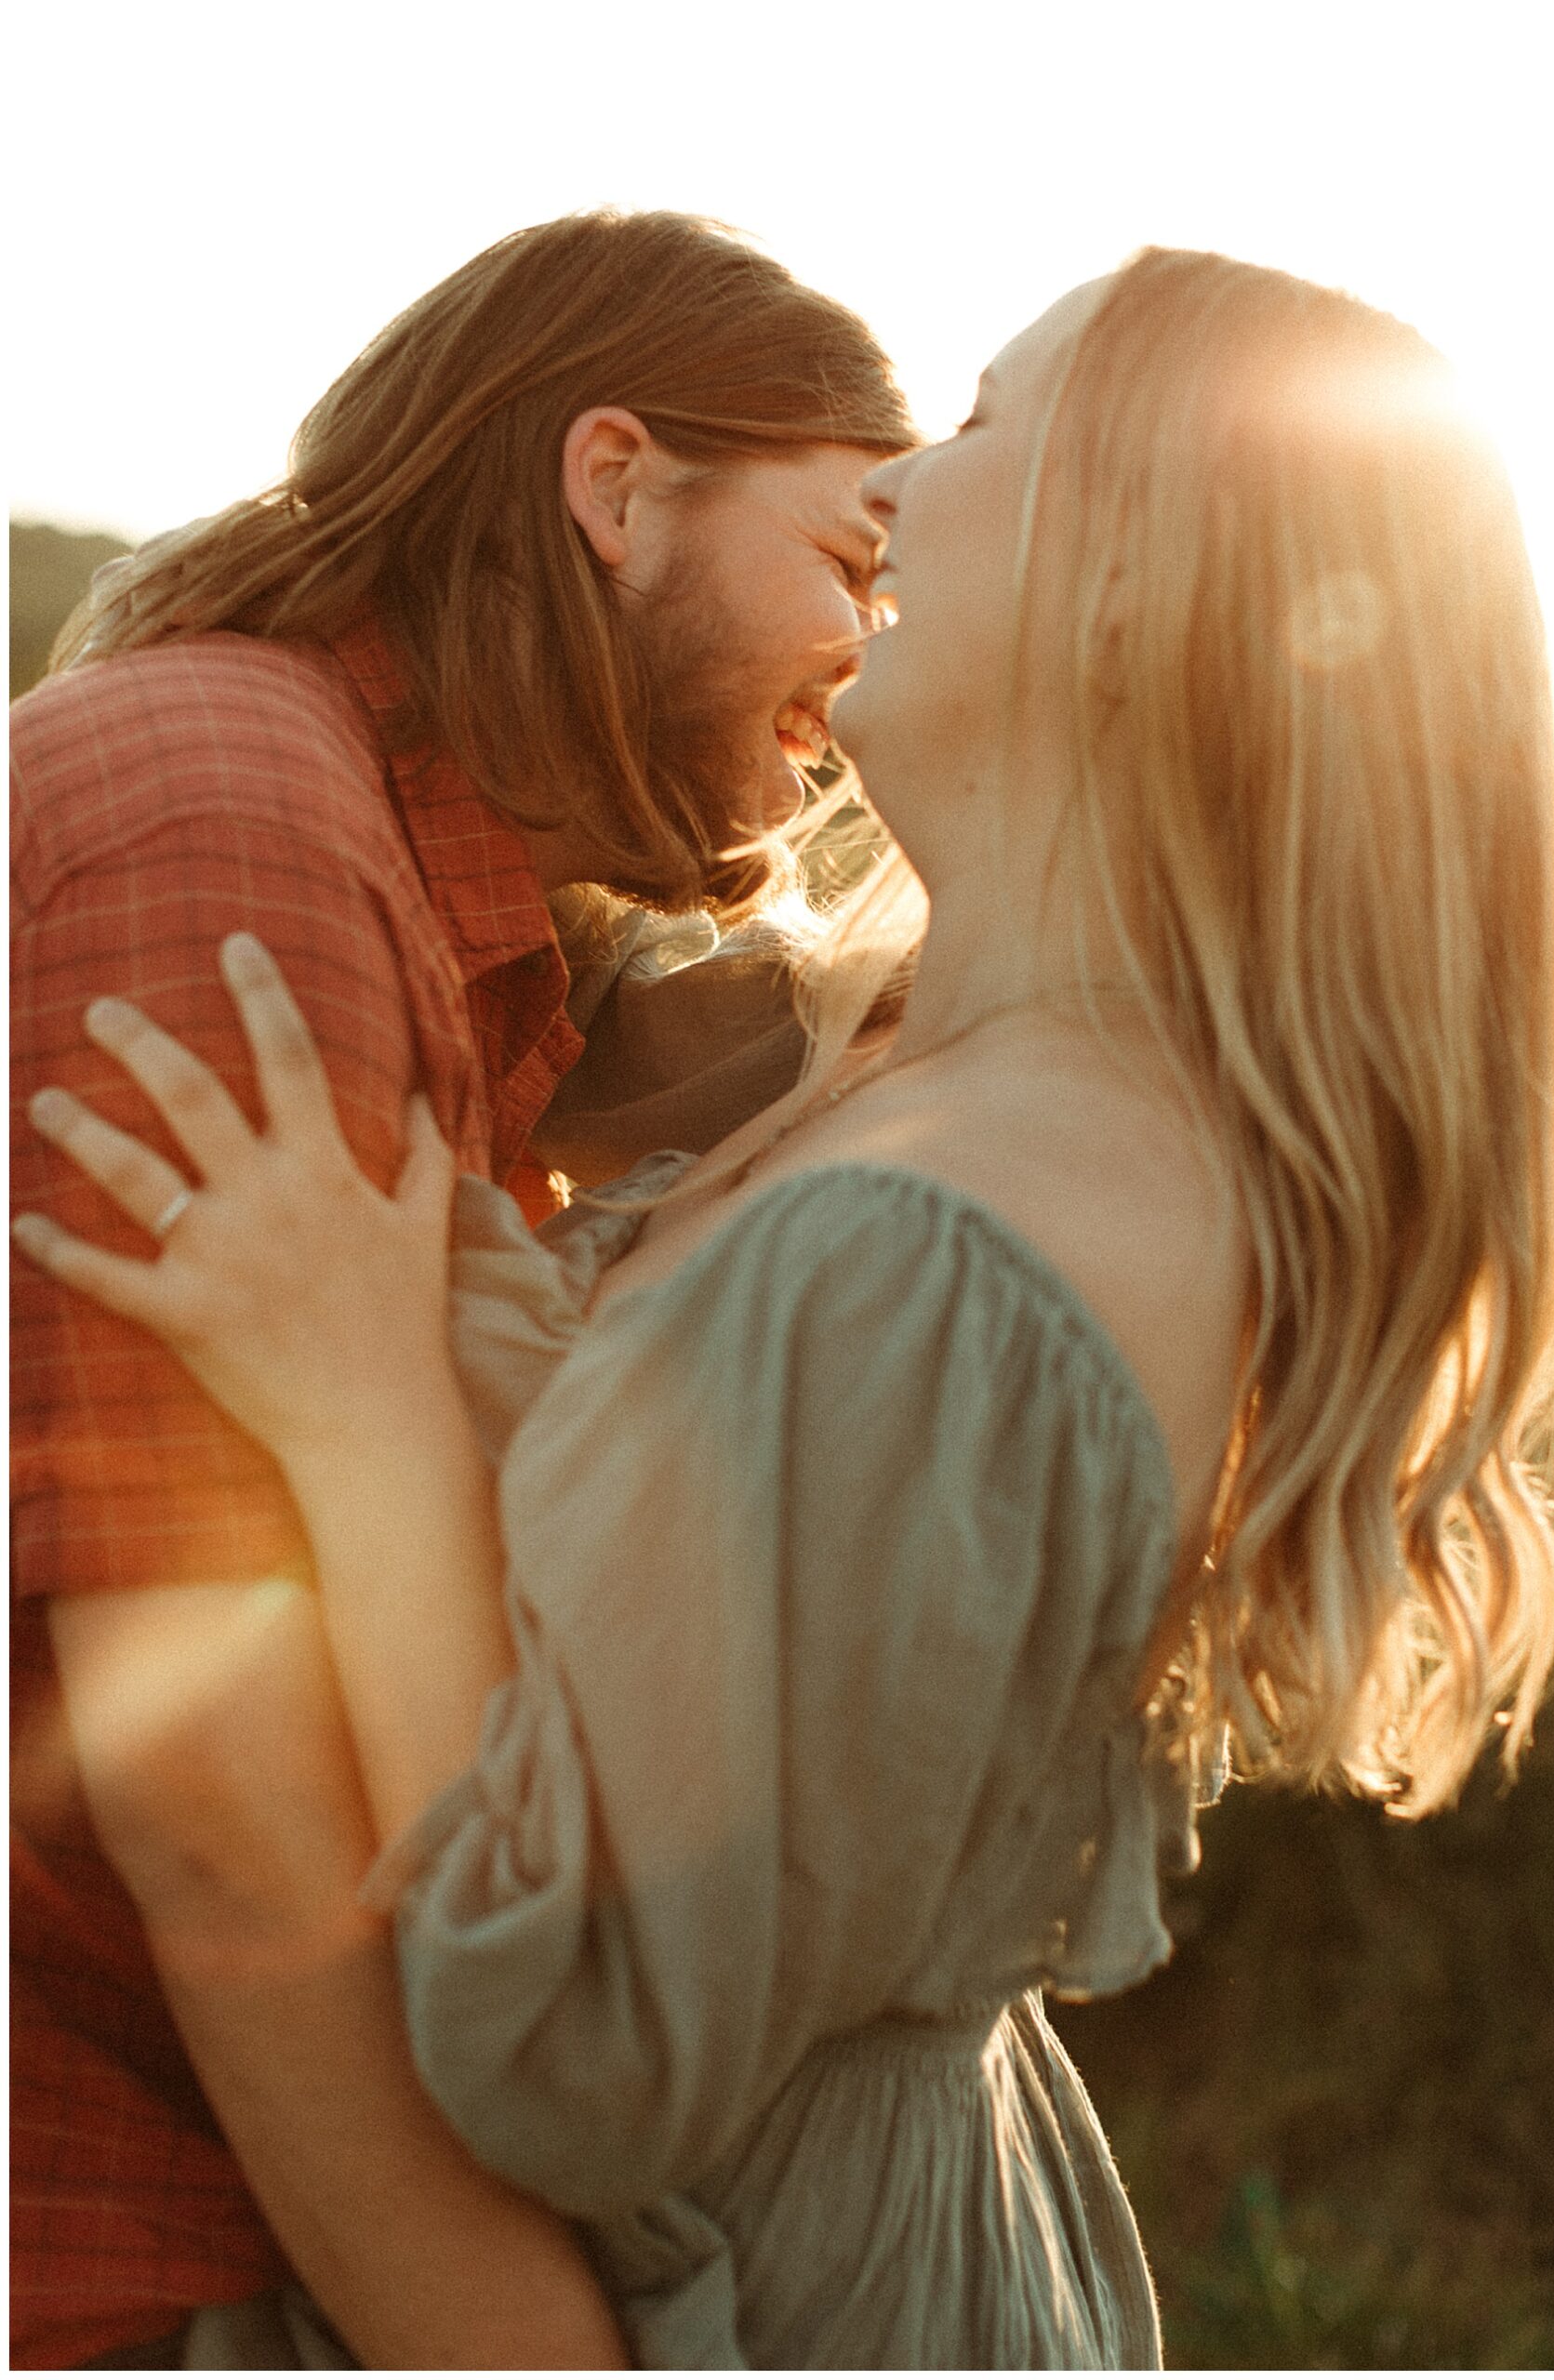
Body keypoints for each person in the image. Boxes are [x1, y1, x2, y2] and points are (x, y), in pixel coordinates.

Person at [14, 247, 1554, 2368]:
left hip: (759, 2299)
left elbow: (580, 2032)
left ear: (1122, 578)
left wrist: (363, 1410)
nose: (905, 510)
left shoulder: (960, 1249)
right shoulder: (890, 1069)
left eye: (976, 424)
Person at [8, 207, 916, 2370]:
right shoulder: (231, 830)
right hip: (128, 2242)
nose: (869, 654)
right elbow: (215, 1795)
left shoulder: (418, 872)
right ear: (616, 486)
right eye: (852, 562)